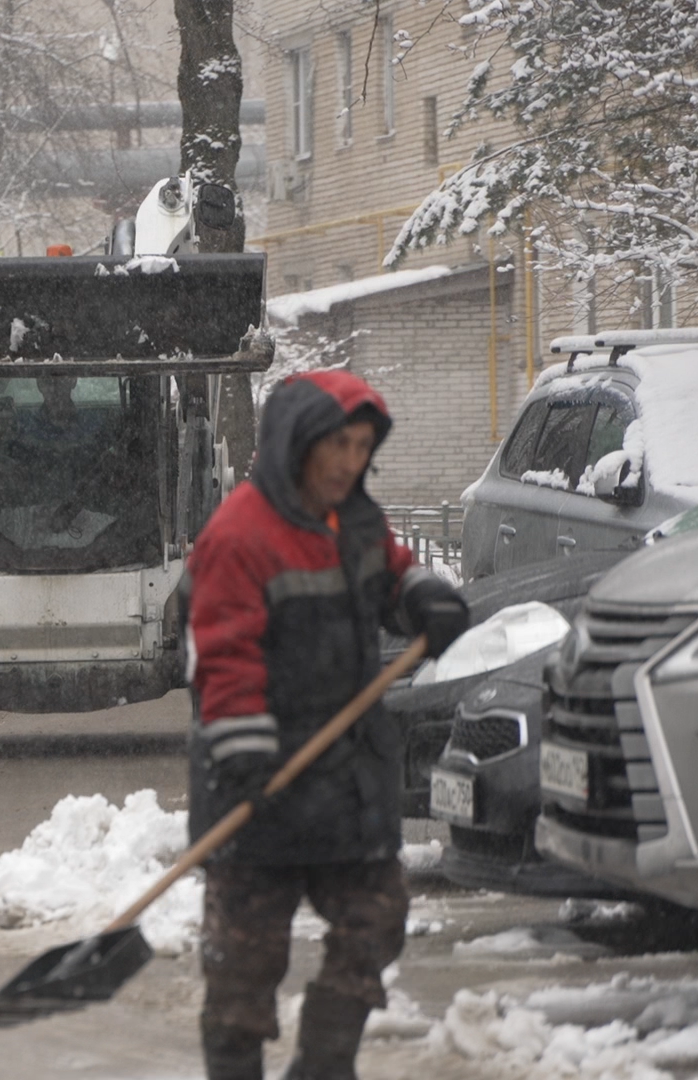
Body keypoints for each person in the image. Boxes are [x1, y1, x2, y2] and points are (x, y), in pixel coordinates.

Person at [184, 371, 467, 1080]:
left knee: (374, 922)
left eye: (361, 445)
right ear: (298, 441)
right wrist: (248, 754)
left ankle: (324, 1065)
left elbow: (395, 575)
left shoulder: (359, 522)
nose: (348, 461)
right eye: (337, 443)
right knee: (245, 966)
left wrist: (424, 597)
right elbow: (224, 656)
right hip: (260, 777)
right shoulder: (240, 535)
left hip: (345, 776)